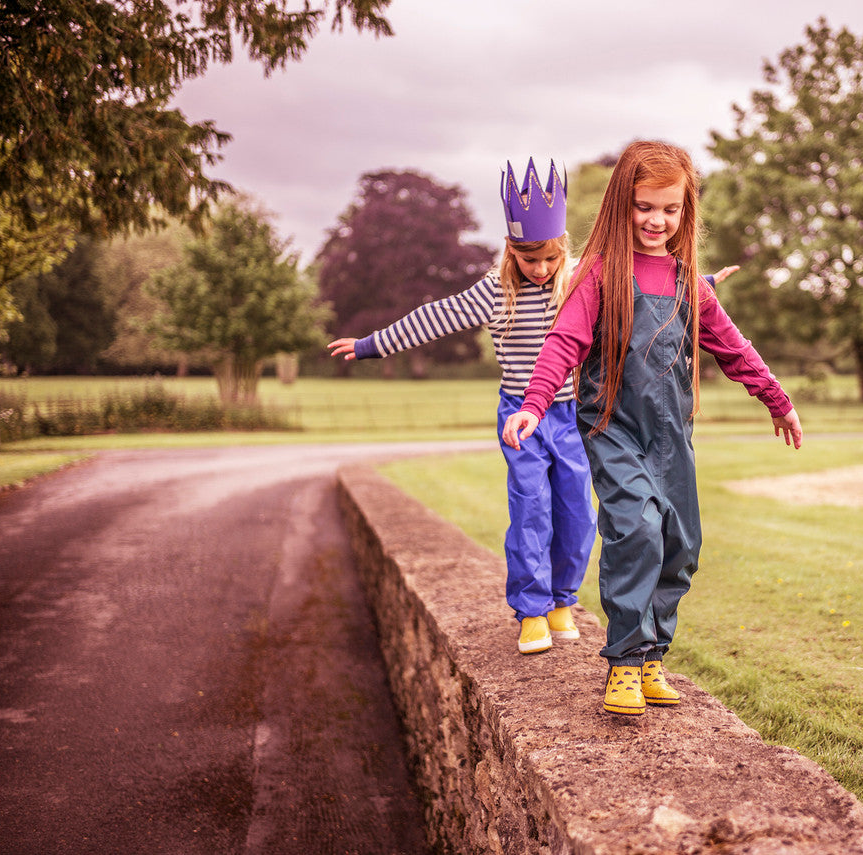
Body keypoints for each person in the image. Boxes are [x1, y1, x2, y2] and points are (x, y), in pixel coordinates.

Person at [502, 140, 802, 717]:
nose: (657, 220)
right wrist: (534, 405)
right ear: (622, 204)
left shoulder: (690, 282)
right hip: (612, 427)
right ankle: (624, 661)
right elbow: (562, 343)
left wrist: (776, 399)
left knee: (680, 544)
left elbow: (733, 348)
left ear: (686, 210)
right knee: (636, 528)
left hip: (672, 437)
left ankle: (652, 658)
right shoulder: (597, 275)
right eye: (644, 206)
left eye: (670, 208)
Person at [329, 158, 598, 655]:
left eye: (549, 259)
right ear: (511, 250)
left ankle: (563, 599)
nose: (540, 269)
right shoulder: (495, 292)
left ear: (563, 249)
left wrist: (703, 283)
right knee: (531, 508)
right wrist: (371, 345)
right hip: (520, 416)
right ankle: (532, 610)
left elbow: (639, 289)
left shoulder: (580, 279)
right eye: (529, 259)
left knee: (578, 511)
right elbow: (435, 317)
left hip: (570, 415)